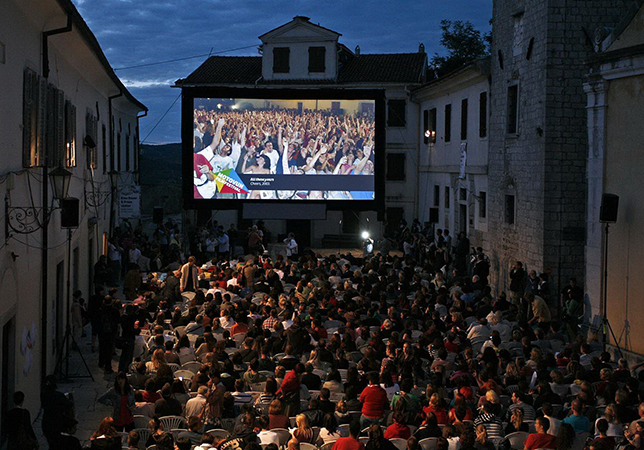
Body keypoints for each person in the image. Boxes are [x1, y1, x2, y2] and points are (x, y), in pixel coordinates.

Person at [41, 374, 75, 447]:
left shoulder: (44, 395)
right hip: (57, 422)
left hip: (46, 422)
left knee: (51, 442)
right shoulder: (58, 396)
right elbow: (69, 405)